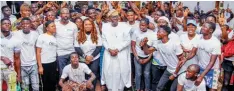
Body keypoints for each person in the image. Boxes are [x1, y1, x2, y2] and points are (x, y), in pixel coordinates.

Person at [141, 25, 186, 91]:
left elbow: (181, 61)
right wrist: (144, 44)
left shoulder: (175, 44)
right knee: (159, 87)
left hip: (179, 71)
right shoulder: (158, 43)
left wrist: (175, 74)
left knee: (172, 89)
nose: (157, 33)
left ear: (165, 33)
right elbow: (147, 52)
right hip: (168, 70)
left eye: (159, 32)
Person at [101, 9, 132, 91]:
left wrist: (117, 49)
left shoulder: (125, 26)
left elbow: (127, 40)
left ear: (118, 17)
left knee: (121, 72)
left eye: (116, 16)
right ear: (109, 18)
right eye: (112, 17)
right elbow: (103, 40)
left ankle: (120, 89)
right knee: (109, 72)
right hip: (109, 53)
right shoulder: (105, 26)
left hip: (121, 54)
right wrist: (109, 49)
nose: (114, 18)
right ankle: (110, 88)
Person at [75, 18, 102, 90]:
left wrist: (91, 57)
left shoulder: (97, 35)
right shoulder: (78, 34)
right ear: (83, 25)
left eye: (90, 24)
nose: (88, 26)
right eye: (86, 24)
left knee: (93, 74)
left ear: (92, 25)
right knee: (83, 74)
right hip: (82, 58)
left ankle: (92, 89)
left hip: (95, 58)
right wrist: (85, 57)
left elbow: (99, 47)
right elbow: (77, 48)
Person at [13, 17, 40, 91]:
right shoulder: (16, 34)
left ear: (30, 24)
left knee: (36, 87)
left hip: (33, 64)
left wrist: (38, 64)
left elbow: (38, 49)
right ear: (21, 25)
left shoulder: (35, 34)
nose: (25, 25)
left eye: (27, 23)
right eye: (23, 24)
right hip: (22, 65)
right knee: (25, 87)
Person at [195, 22, 221, 91]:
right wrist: (184, 60)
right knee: (200, 88)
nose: (202, 28)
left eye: (205, 27)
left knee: (212, 89)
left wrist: (201, 76)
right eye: (202, 26)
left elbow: (212, 62)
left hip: (213, 70)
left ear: (211, 30)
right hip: (201, 67)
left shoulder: (215, 43)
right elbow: (193, 52)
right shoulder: (199, 37)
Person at [131, 18, 153, 91]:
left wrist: (148, 59)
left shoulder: (151, 33)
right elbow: (133, 46)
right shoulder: (135, 32)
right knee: (138, 74)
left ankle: (147, 89)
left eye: (144, 25)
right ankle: (138, 89)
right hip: (138, 57)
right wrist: (137, 58)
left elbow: (153, 48)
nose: (142, 27)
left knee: (147, 74)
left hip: (148, 57)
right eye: (140, 25)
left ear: (147, 25)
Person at [55, 8, 78, 75]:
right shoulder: (55, 25)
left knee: (72, 73)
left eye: (67, 13)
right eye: (64, 13)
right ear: (60, 15)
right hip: (60, 53)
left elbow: (76, 40)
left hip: (71, 52)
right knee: (62, 73)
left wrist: (75, 52)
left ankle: (71, 85)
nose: (66, 15)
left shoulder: (73, 25)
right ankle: (62, 85)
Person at [36, 21, 57, 91]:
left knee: (53, 83)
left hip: (53, 63)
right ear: (47, 28)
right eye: (52, 26)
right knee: (45, 84)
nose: (54, 27)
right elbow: (38, 52)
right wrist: (40, 66)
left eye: (54, 26)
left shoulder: (54, 37)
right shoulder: (41, 37)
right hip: (44, 64)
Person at [0, 18, 21, 91]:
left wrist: (18, 74)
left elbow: (17, 58)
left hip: (10, 70)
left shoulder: (16, 41)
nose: (7, 25)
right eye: (4, 23)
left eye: (9, 24)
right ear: (0, 25)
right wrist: (2, 57)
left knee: (12, 89)